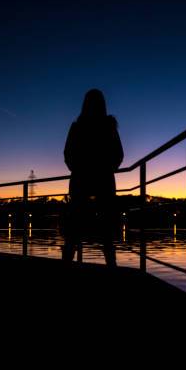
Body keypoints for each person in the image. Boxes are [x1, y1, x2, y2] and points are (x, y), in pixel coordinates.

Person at [62, 89, 124, 266]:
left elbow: (67, 154)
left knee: (73, 232)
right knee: (107, 233)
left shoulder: (77, 127)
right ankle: (111, 268)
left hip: (80, 182)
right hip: (104, 182)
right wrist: (106, 169)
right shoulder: (109, 126)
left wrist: (78, 169)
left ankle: (65, 267)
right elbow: (119, 154)